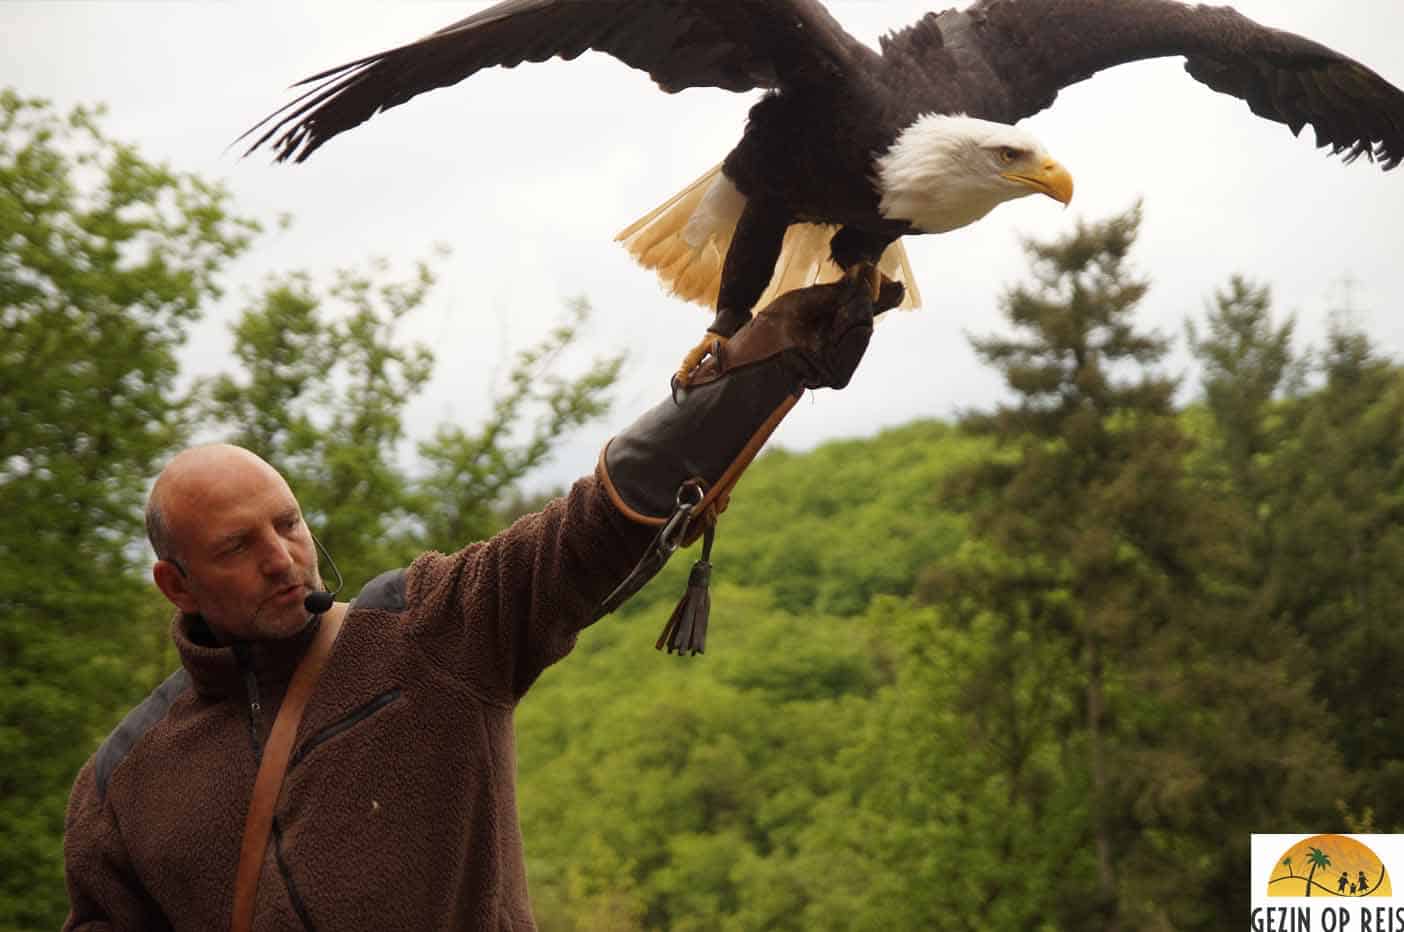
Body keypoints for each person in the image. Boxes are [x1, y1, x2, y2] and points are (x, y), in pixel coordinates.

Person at [61, 273, 897, 931]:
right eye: (237, 547)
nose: (283, 559)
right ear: (176, 584)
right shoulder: (122, 784)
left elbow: (586, 532)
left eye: (288, 524)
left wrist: (761, 367)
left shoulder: (424, 634)